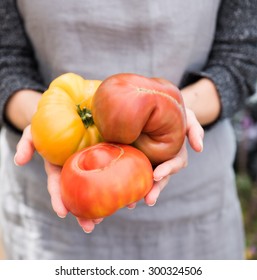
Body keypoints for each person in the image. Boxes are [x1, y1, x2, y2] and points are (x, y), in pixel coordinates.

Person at [0, 0, 257, 260]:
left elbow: (241, 56)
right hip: (50, 221)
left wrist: (172, 114)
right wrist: (42, 120)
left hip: (195, 208)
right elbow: (5, 61)